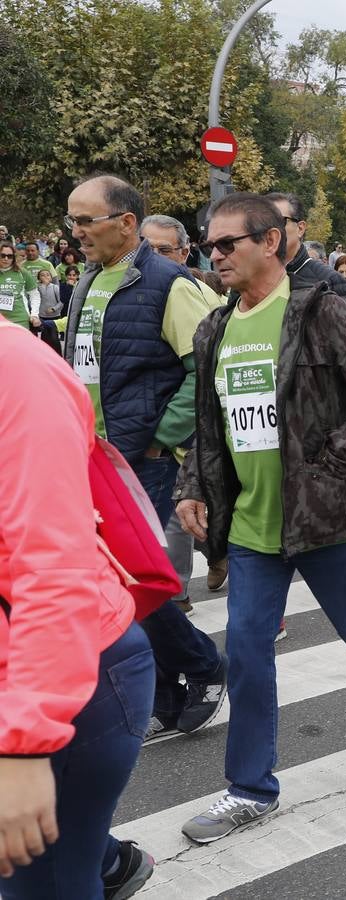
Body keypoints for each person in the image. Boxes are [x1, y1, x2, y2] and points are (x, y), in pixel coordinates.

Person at [173, 192, 346, 844]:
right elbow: (211, 428)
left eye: (228, 243)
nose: (217, 255)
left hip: (325, 516)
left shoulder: (324, 312)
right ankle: (251, 789)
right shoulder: (215, 328)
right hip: (254, 525)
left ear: (270, 242)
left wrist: (334, 460)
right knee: (249, 650)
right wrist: (191, 485)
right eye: (210, 245)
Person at [63, 174, 227, 744]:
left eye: (87, 220)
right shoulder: (87, 281)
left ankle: (204, 666)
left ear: (126, 222)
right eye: (73, 221)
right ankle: (165, 686)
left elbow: (206, 367)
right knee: (110, 583)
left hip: (145, 460)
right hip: (93, 458)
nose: (77, 232)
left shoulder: (170, 283)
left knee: (135, 580)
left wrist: (162, 434)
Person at [0, 318, 158, 900]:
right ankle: (105, 859)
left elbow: (52, 567)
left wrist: (22, 747)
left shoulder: (15, 371)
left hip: (66, 682)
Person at [140, 215, 234, 614]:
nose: (155, 257)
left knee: (181, 514)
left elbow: (204, 370)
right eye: (147, 249)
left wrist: (163, 433)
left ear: (183, 252)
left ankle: (180, 593)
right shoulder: (138, 289)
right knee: (184, 512)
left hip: (195, 430)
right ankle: (213, 554)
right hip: (169, 435)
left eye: (164, 249)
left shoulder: (183, 292)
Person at [264, 193, 346, 314]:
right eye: (263, 223)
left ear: (300, 228)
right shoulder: (250, 280)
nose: (269, 230)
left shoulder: (333, 283)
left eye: (278, 221)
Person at [0, 242, 39, 331]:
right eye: (2, 255)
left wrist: (34, 314)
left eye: (9, 256)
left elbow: (34, 294)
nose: (6, 259)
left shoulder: (22, 272)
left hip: (19, 321)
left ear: (14, 258)